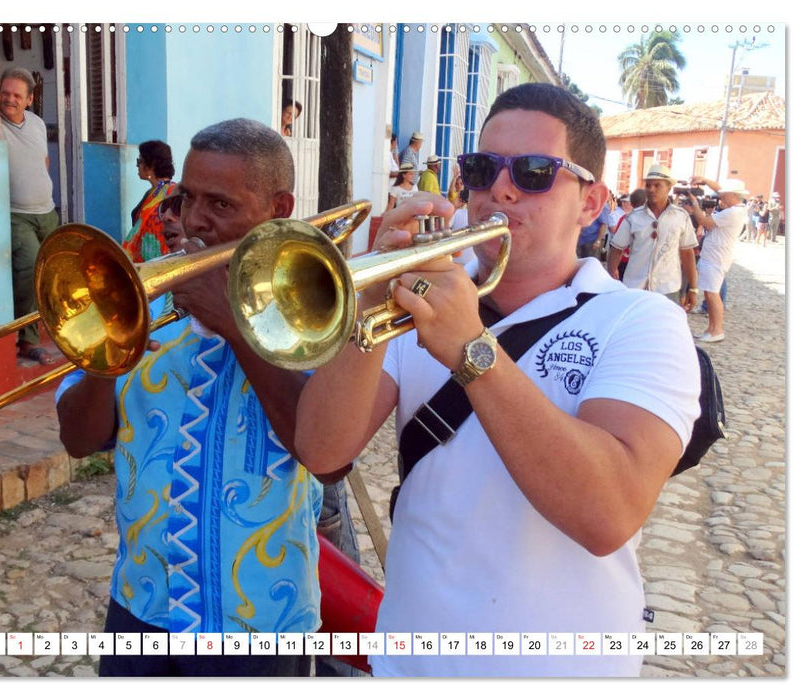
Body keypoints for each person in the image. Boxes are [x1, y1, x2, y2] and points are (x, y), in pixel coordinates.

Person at [293, 83, 700, 677]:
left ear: (591, 204)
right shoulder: (417, 303)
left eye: (535, 172)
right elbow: (322, 449)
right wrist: (372, 293)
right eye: (481, 169)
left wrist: (470, 349)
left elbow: (607, 513)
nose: (499, 190)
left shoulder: (639, 320)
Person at [55, 118, 329, 677]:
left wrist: (231, 324)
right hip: (141, 605)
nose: (194, 220)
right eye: (187, 198)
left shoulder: (319, 312)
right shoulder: (142, 298)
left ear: (279, 209)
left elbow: (325, 452)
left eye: (222, 205)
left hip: (259, 625)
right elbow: (77, 440)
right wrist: (111, 353)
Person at [0, 67, 58, 365]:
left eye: (17, 96)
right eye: (4, 93)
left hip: (46, 211)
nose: (10, 100)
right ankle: (27, 341)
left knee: (51, 272)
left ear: (30, 99)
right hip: (16, 215)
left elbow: (43, 159)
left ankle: (56, 329)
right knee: (29, 268)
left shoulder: (36, 124)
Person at [607, 164, 699, 311]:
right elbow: (616, 248)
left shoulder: (681, 217)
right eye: (648, 185)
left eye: (657, 185)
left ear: (668, 187)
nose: (651, 189)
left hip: (667, 287)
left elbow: (687, 253)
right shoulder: (633, 217)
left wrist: (693, 288)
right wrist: (611, 278)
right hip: (635, 286)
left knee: (664, 330)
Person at [683, 176, 749, 343]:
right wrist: (705, 181)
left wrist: (695, 204)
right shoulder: (736, 209)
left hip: (716, 257)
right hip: (714, 256)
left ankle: (717, 329)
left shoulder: (732, 212)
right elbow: (719, 189)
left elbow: (704, 221)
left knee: (713, 294)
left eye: (725, 194)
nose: (721, 196)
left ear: (733, 195)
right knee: (710, 292)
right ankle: (711, 329)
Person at [121, 140, 177, 263]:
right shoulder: (153, 192)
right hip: (144, 263)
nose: (137, 166)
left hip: (159, 265)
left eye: (139, 161)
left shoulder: (172, 192)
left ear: (151, 164)